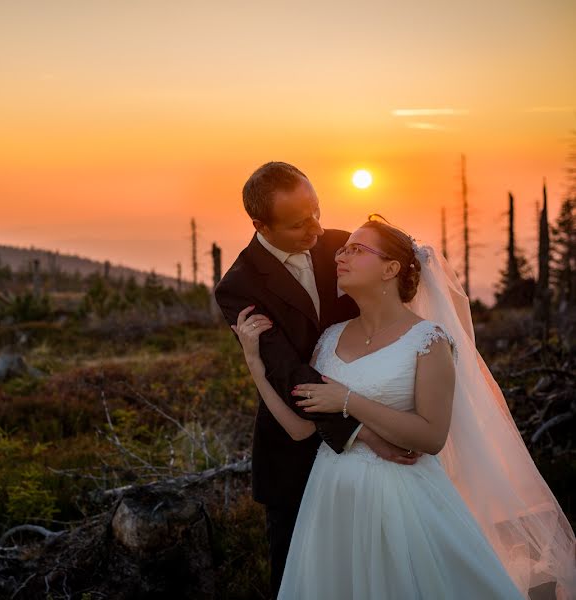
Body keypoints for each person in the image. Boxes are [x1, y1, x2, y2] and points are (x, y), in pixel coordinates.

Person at [231, 215, 576, 599]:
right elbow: (300, 429)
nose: (340, 256)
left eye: (356, 249)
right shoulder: (328, 340)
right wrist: (256, 366)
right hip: (331, 505)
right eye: (343, 249)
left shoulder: (428, 340)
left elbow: (430, 436)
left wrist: (348, 400)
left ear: (391, 269)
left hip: (403, 502)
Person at [213, 162, 422, 596]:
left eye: (317, 212)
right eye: (298, 223)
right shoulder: (239, 286)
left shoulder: (339, 247)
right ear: (260, 225)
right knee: (301, 580)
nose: (316, 229)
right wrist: (362, 431)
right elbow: (289, 373)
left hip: (374, 454)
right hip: (296, 455)